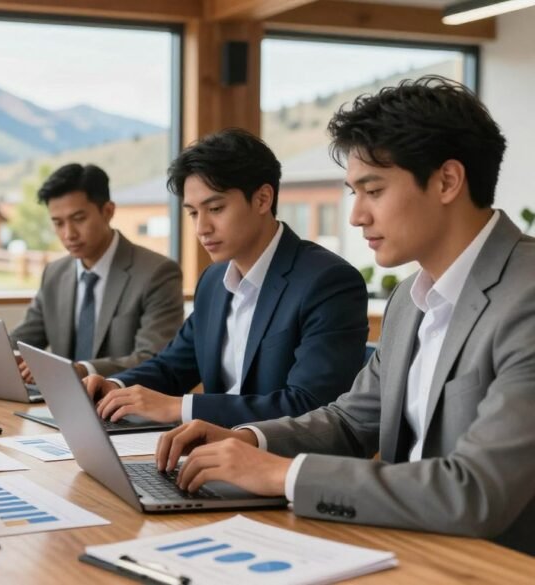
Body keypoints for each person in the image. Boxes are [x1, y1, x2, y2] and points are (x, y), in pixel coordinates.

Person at [156, 77, 535, 555]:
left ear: (447, 181)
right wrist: (250, 440)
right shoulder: (410, 299)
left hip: (490, 565)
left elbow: (477, 491)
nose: (356, 217)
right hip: (398, 543)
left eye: (372, 190)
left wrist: (283, 474)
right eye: (352, 193)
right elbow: (351, 423)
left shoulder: (526, 298)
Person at [85, 129, 368, 426]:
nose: (201, 228)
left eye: (216, 209)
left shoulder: (328, 282)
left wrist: (182, 409)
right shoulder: (213, 280)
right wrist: (115, 386)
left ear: (262, 199)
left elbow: (310, 404)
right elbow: (172, 366)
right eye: (193, 213)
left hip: (277, 462)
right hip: (208, 454)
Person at [10, 163, 183, 380]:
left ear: (108, 211)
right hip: (56, 404)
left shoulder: (157, 273)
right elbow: (21, 342)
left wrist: (82, 370)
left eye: (79, 219)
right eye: (58, 223)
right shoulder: (55, 273)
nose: (68, 234)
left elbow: (153, 358)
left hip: (125, 406)